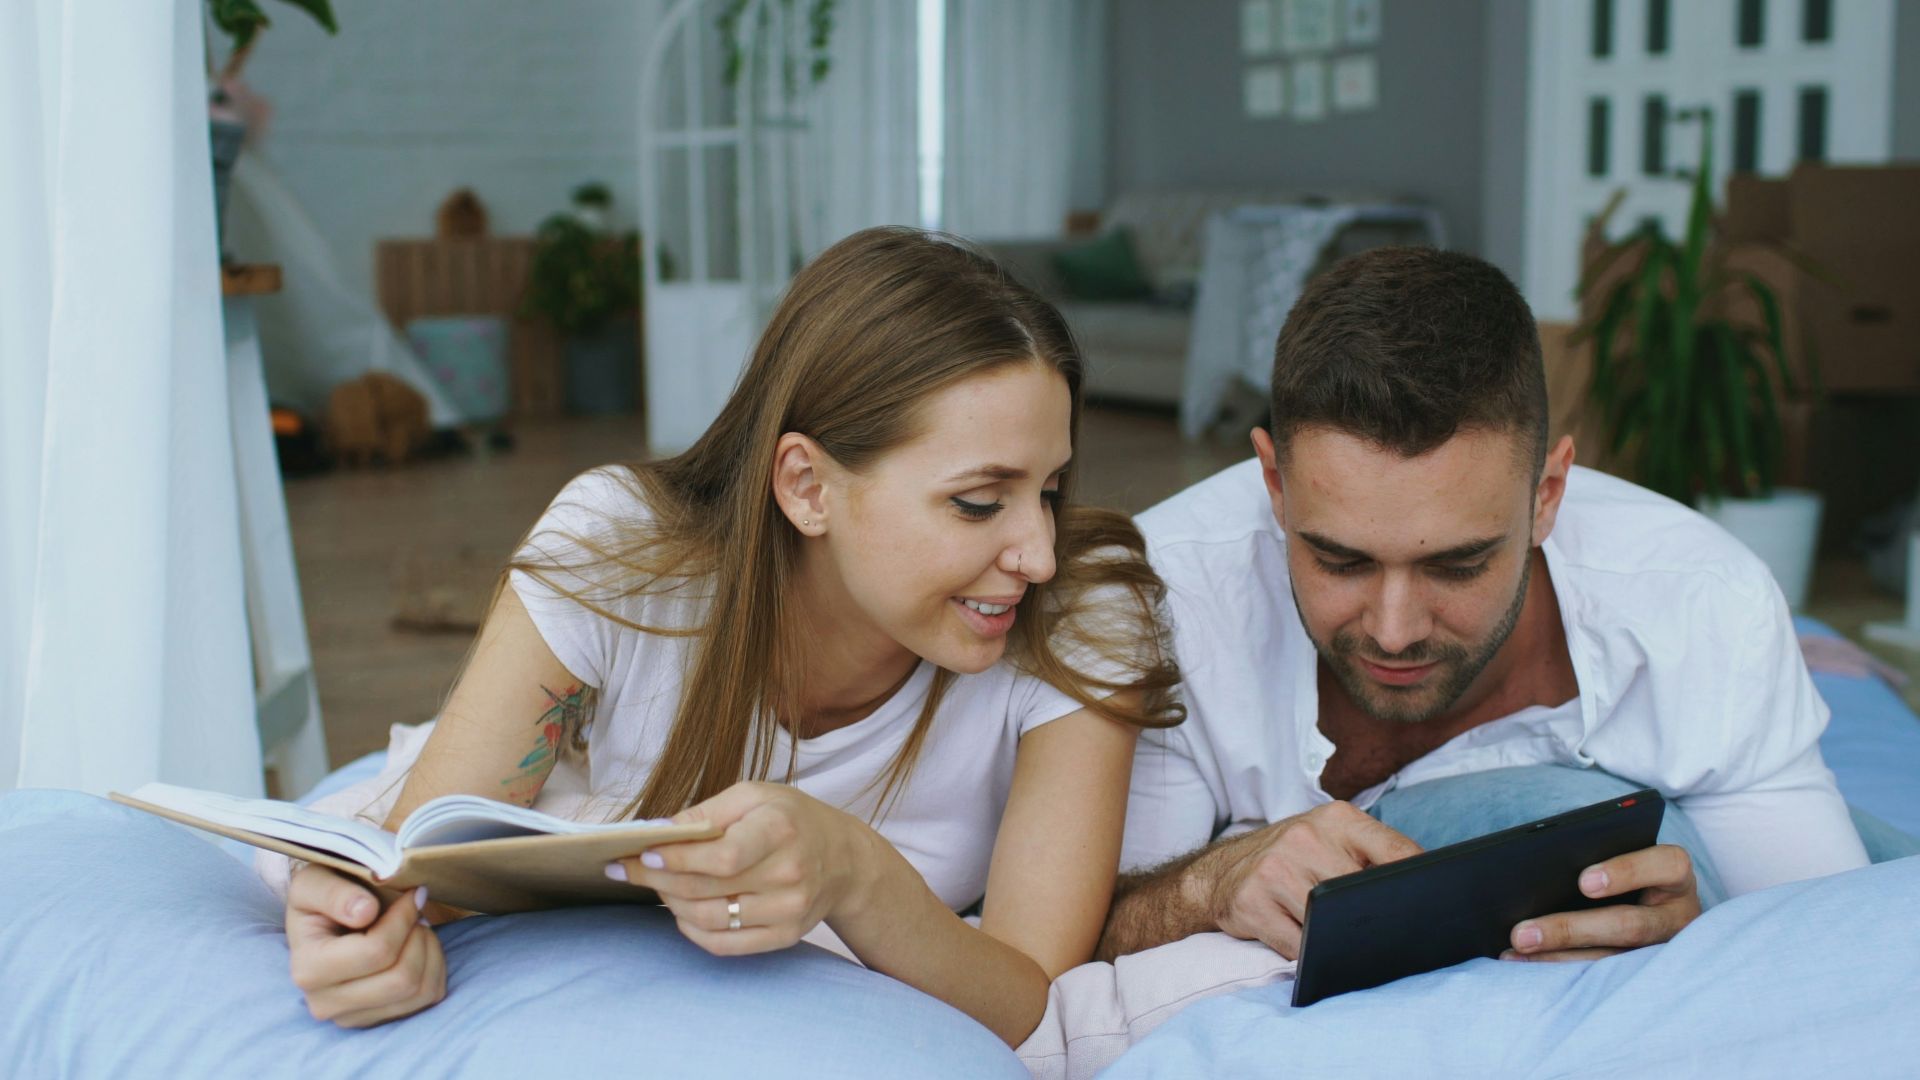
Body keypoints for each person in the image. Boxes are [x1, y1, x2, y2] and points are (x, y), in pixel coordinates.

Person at [267, 227, 1183, 1047]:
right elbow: (423, 871)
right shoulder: (620, 552)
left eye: (1050, 490)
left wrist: (854, 873)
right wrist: (364, 934)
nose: (1038, 553)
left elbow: (1026, 995)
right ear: (807, 487)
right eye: (979, 502)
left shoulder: (1081, 614)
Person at [1098, 246, 1870, 965]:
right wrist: (1211, 883)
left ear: (1547, 497)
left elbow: (1831, 948)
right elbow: (1078, 933)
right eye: (1340, 561)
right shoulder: (1159, 601)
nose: (1393, 632)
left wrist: (1702, 941)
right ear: (1274, 484)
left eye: (1458, 565)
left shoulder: (1702, 600)